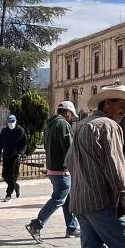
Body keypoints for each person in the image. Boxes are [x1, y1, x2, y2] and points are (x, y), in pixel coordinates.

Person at [68, 88, 125, 248]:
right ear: (107, 102)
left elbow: (69, 162)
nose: (124, 111)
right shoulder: (108, 126)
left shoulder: (83, 124)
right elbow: (115, 169)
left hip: (81, 202)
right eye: (121, 105)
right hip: (103, 204)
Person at [26, 101, 80, 240]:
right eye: (71, 115)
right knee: (58, 199)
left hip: (53, 168)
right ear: (67, 112)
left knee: (68, 199)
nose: (72, 118)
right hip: (62, 170)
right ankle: (36, 224)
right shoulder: (63, 124)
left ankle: (72, 228)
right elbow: (69, 148)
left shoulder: (49, 125)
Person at [0, 113, 27, 201]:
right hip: (6, 156)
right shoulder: (4, 131)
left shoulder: (20, 131)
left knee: (13, 175)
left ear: (16, 121)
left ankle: (8, 194)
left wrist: (20, 153)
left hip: (16, 157)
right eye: (9, 122)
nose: (11, 123)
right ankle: (15, 186)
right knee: (5, 175)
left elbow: (24, 144)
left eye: (12, 121)